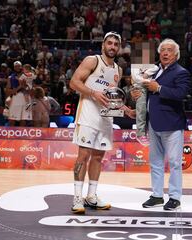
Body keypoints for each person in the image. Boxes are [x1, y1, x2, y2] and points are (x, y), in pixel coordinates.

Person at [69, 31, 126, 214]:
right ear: (103, 45)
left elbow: (113, 97)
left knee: (98, 157)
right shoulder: (92, 61)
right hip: (87, 116)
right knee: (83, 157)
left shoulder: (118, 70)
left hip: (105, 119)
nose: (112, 47)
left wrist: (126, 109)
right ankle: (77, 198)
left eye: (115, 45)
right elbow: (73, 82)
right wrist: (93, 93)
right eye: (109, 43)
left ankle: (91, 196)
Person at [141, 38, 191, 211]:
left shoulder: (181, 72)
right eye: (162, 50)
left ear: (176, 55)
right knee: (155, 162)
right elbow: (147, 93)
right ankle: (156, 195)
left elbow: (182, 93)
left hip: (172, 123)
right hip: (153, 122)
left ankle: (175, 197)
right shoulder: (152, 71)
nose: (165, 53)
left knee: (175, 163)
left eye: (169, 50)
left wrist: (159, 88)